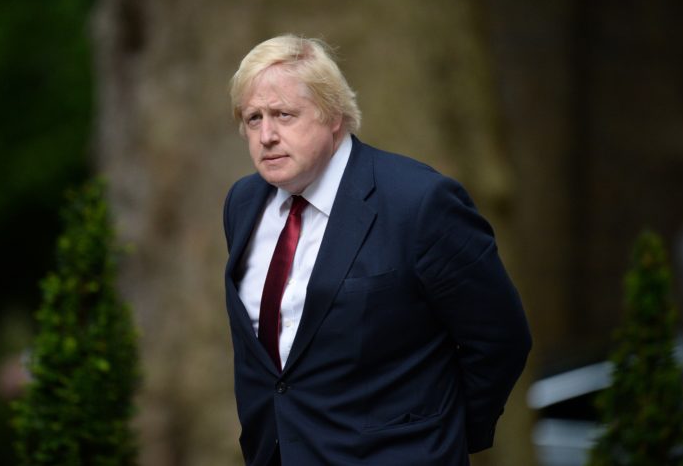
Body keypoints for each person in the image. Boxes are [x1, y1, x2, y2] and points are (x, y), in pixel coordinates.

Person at [223, 34, 532, 466]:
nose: (267, 135)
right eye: (253, 118)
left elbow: (501, 337)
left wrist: (439, 437)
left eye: (284, 115)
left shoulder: (419, 203)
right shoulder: (243, 203)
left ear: (333, 115)